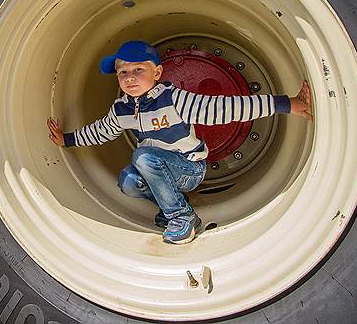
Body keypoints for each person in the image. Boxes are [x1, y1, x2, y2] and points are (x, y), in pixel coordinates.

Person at [46, 40, 312, 245]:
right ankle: (179, 210)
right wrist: (66, 139)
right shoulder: (122, 110)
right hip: (158, 169)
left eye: (138, 70)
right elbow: (101, 131)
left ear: (158, 72)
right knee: (127, 181)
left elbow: (226, 108)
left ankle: (180, 218)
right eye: (122, 72)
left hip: (189, 168)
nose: (129, 77)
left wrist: (288, 104)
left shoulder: (174, 100)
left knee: (142, 157)